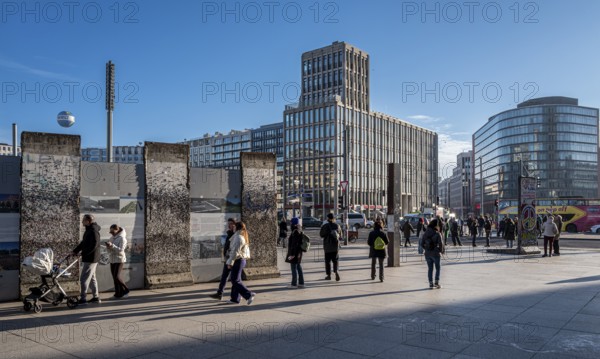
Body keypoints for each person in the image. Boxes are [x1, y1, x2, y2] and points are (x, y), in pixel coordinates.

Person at [72, 214, 101, 304]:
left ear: (88, 221)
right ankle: (96, 297)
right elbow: (84, 243)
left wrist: (84, 253)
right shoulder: (89, 230)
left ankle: (83, 298)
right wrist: (75, 251)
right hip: (90, 257)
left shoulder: (93, 231)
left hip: (91, 258)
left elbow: (94, 245)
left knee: (84, 278)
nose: (82, 222)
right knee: (92, 278)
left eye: (83, 220)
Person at [226, 221, 255, 305]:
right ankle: (235, 298)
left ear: (236, 228)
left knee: (235, 280)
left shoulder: (238, 237)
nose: (232, 228)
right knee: (236, 279)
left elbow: (235, 252)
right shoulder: (241, 236)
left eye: (234, 226)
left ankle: (248, 294)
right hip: (240, 260)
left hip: (237, 260)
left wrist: (230, 262)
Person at [210, 218, 237, 300]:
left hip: (232, 259)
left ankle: (237, 295)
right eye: (228, 223)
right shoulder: (229, 233)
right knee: (224, 276)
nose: (229, 225)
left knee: (235, 279)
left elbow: (235, 248)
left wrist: (230, 260)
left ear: (235, 225)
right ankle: (219, 293)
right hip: (227, 258)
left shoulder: (236, 235)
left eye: (231, 223)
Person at [106, 224, 130, 299]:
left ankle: (126, 289)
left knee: (117, 276)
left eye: (113, 231)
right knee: (114, 277)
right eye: (110, 232)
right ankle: (118, 293)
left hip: (119, 259)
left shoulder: (122, 238)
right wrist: (108, 247)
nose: (111, 233)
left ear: (117, 230)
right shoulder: (112, 238)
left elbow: (121, 250)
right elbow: (110, 250)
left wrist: (112, 246)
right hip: (112, 259)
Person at [422, 219, 445, 289]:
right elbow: (441, 244)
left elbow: (421, 243)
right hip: (435, 253)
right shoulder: (437, 233)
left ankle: (431, 284)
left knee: (430, 269)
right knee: (438, 268)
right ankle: (436, 283)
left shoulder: (425, 233)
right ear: (435, 225)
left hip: (427, 254)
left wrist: (426, 248)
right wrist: (441, 251)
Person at [319, 213, 341, 281]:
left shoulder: (325, 226)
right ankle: (336, 271)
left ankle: (329, 275)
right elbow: (340, 236)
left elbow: (321, 235)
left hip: (327, 246)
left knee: (327, 261)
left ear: (328, 218)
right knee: (335, 260)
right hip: (335, 246)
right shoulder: (337, 226)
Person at [285, 217, 305, 288]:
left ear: (293, 223)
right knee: (298, 267)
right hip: (299, 252)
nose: (290, 224)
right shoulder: (299, 230)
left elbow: (294, 244)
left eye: (291, 222)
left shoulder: (295, 231)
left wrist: (292, 254)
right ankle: (301, 282)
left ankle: (294, 284)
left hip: (294, 253)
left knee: (293, 268)